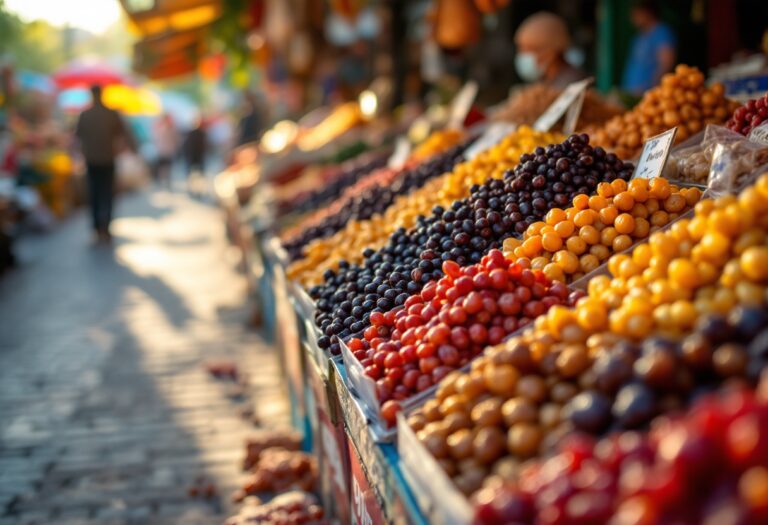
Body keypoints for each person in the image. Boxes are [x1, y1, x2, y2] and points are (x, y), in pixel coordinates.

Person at [75, 85, 135, 243]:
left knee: (94, 193)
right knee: (107, 193)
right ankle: (105, 228)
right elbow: (123, 134)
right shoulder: (111, 114)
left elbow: (77, 137)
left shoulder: (85, 115)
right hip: (107, 159)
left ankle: (96, 228)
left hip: (92, 160)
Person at [514, 12, 586, 88]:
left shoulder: (571, 83)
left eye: (529, 49)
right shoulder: (545, 79)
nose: (522, 55)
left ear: (551, 53)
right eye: (521, 49)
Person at [622, 0, 677, 95]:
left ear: (648, 13)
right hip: (631, 92)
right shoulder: (639, 36)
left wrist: (651, 86)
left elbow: (666, 63)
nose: (633, 18)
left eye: (637, 14)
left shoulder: (661, 33)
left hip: (648, 93)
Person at [152, 113, 177, 189]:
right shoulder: (169, 128)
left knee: (164, 167)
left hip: (164, 150)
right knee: (165, 167)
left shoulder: (161, 128)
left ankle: (164, 182)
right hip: (165, 150)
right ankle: (165, 182)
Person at [183, 117, 207, 191]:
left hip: (197, 156)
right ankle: (192, 188)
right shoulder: (193, 133)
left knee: (198, 174)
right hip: (193, 156)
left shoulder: (202, 133)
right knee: (192, 173)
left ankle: (198, 188)